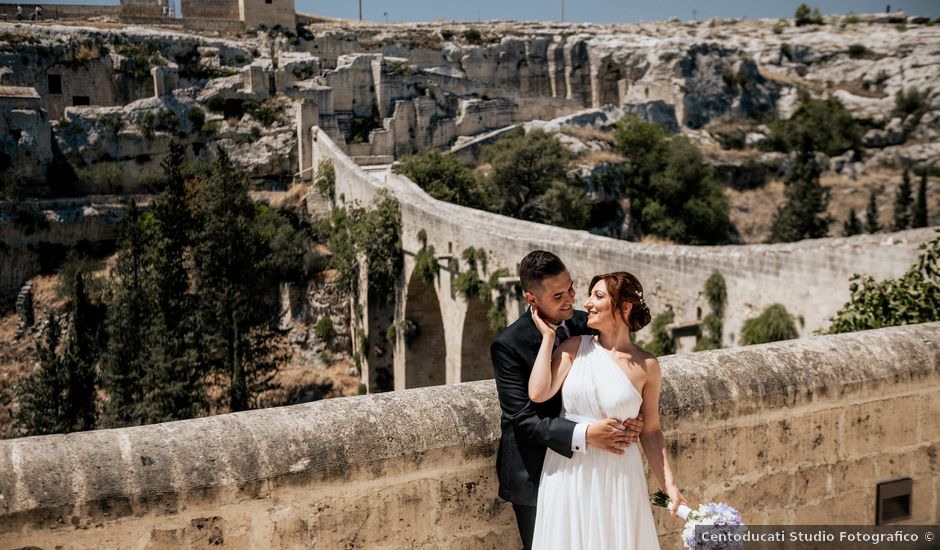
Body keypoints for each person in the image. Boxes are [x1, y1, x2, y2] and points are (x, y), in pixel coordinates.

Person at [491, 251, 645, 550]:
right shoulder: (508, 344)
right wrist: (586, 434)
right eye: (558, 295)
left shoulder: (584, 323)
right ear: (531, 299)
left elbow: (616, 370)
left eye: (572, 288)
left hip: (589, 469)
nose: (571, 299)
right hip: (533, 472)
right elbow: (522, 419)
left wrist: (632, 416)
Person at [528, 271, 687, 549]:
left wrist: (670, 486)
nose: (587, 303)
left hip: (618, 475)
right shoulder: (573, 347)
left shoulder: (647, 365)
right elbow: (539, 393)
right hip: (569, 472)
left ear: (624, 307)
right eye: (589, 295)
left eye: (598, 296)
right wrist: (547, 338)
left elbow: (650, 431)